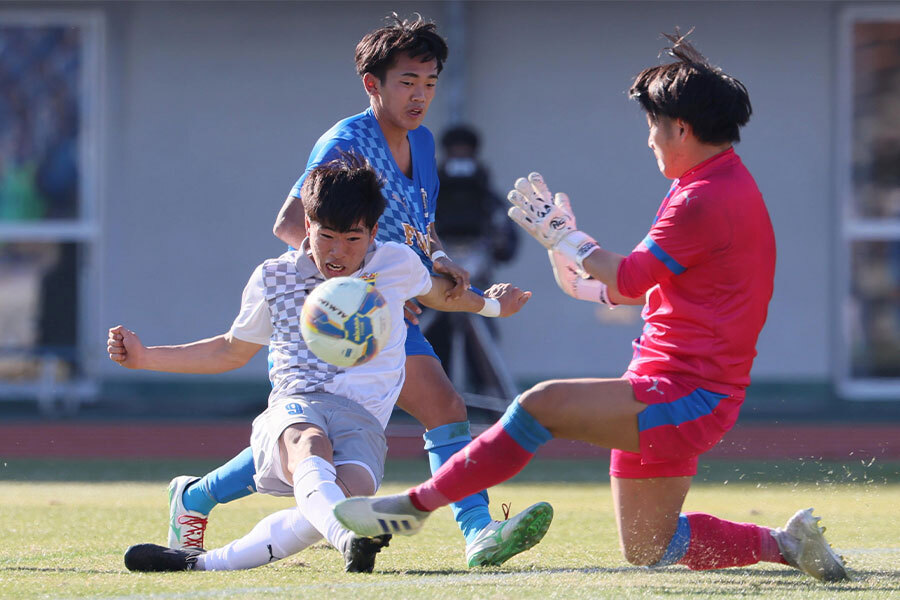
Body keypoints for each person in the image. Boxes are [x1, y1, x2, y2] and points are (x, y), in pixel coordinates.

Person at [332, 31, 850, 583]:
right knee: (652, 546)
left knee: (541, 404)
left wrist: (566, 239)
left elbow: (628, 277)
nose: (649, 139)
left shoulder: (703, 197)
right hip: (677, 387)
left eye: (653, 125)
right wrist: (582, 278)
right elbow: (648, 288)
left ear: (681, 127)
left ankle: (413, 507)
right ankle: (788, 542)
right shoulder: (714, 183)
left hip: (684, 394)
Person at [164, 13, 552, 569]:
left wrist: (437, 258)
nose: (420, 96)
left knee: (366, 426)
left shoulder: (421, 142)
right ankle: (478, 531)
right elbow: (292, 224)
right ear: (373, 84)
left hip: (383, 313)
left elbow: (421, 221)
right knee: (354, 426)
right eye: (407, 82)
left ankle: (194, 496)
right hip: (338, 320)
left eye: (430, 83)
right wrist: (365, 289)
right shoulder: (345, 143)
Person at [111, 154, 539, 574]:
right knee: (310, 445)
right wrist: (146, 357)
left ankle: (201, 564)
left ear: (373, 232)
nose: (337, 253)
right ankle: (352, 538)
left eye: (352, 239)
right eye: (326, 236)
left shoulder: (396, 263)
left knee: (344, 500)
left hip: (363, 420)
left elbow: (442, 294)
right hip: (297, 405)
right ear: (307, 227)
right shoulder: (274, 278)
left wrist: (493, 308)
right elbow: (229, 349)